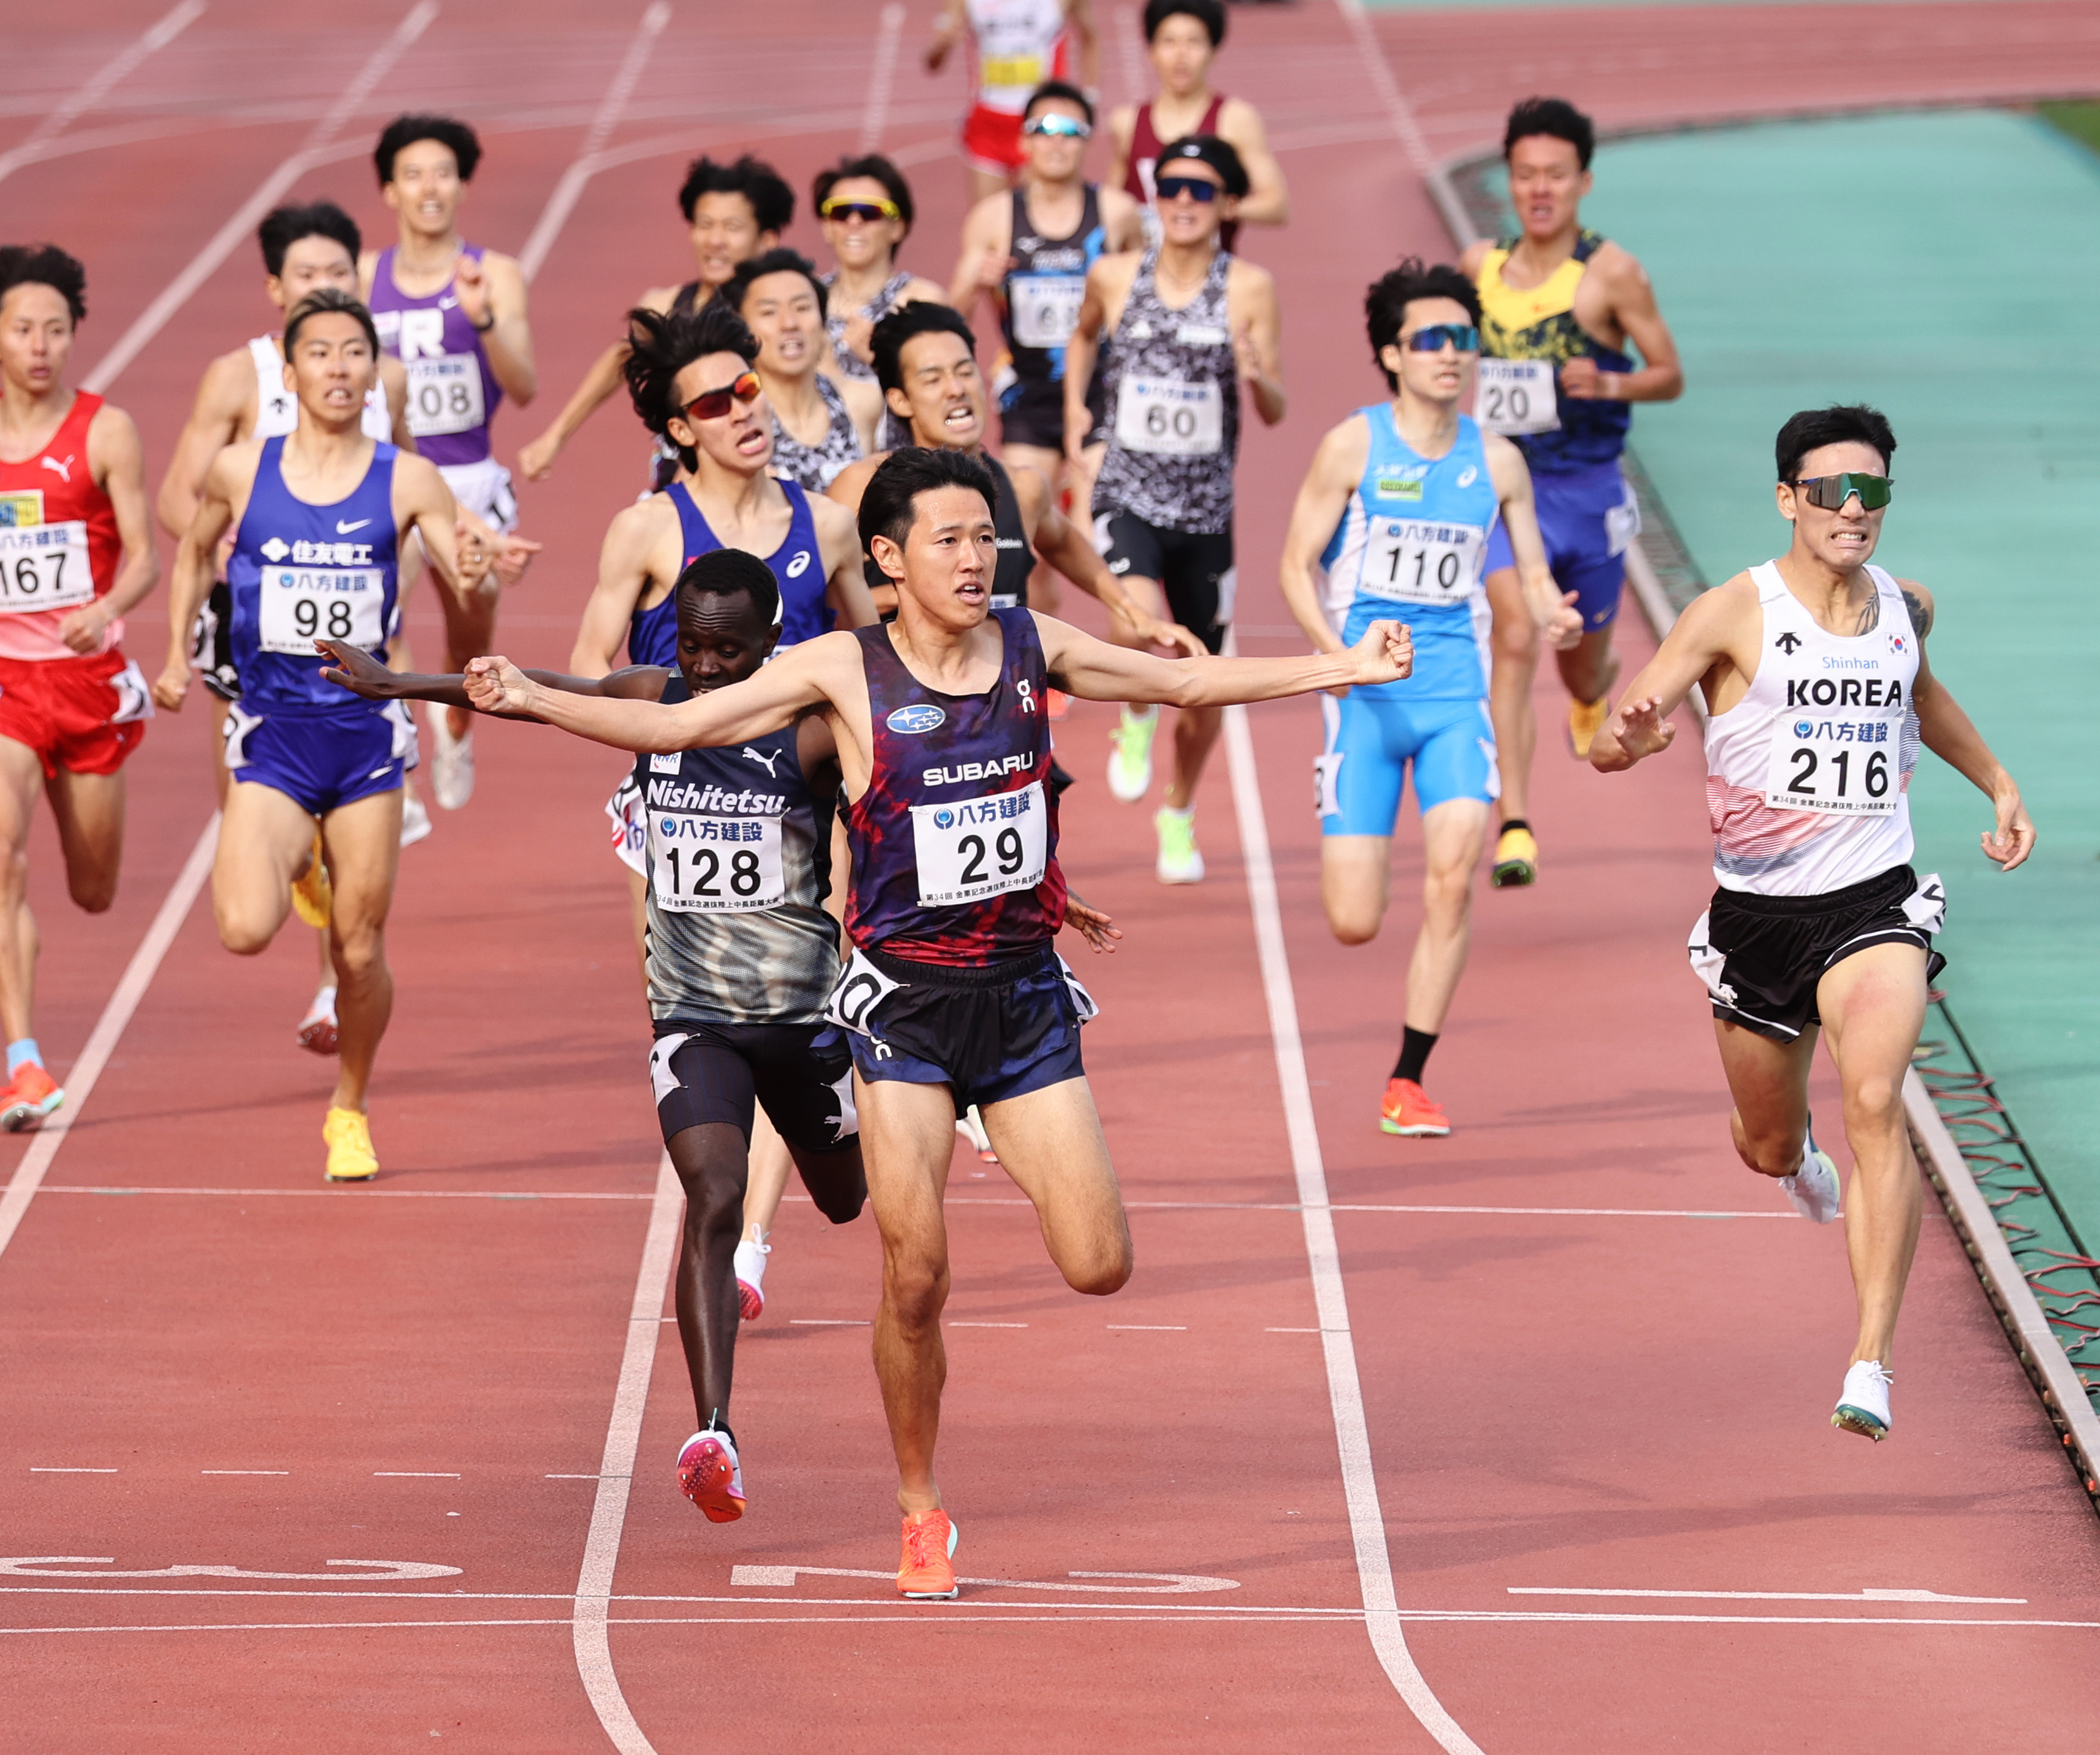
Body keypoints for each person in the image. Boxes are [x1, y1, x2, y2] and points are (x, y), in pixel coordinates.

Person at [457, 445, 1414, 1597]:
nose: (975, 558)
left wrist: (1343, 665)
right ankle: (920, 1508)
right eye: (949, 540)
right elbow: (677, 729)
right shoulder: (840, 667)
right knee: (915, 1277)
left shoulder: (1031, 643)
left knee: (1100, 1264)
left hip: (1021, 1004)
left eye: (984, 538)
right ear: (888, 558)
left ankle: (979, 1138)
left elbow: (1184, 688)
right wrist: (532, 697)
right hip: (901, 1015)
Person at [319, 549, 866, 1521]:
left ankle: (858, 1155)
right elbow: (538, 692)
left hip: (803, 1024)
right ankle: (715, 1433)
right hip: (693, 1017)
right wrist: (400, 683)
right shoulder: (653, 699)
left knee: (846, 1199)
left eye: (727, 651)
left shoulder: (811, 727)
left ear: (772, 643)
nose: (704, 667)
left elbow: (905, 806)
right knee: (714, 1195)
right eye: (691, 646)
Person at [1589, 404, 2033, 1442]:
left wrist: (1999, 781)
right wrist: (1633, 739)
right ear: (1789, 498)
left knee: (1876, 1099)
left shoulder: (1903, 607)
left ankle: (1871, 1361)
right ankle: (1794, 1165)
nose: (1853, 509)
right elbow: (1613, 741)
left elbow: (1921, 697)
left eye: (1871, 491)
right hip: (1758, 918)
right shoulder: (1730, 612)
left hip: (1873, 903)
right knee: (1765, 1140)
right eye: (1831, 491)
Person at [570, 299, 877, 1318]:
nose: (745, 408)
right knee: (690, 1013)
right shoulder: (648, 528)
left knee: (795, 997)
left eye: (749, 388)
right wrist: (664, 715)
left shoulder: (826, 523)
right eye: (716, 401)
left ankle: (747, 1235)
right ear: (678, 429)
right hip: (680, 812)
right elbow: (588, 662)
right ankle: (727, 1197)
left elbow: (878, 660)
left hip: (799, 803)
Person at [151, 289, 490, 1182]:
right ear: (290, 370)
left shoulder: (407, 479)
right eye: (321, 353)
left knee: (358, 947)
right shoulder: (240, 469)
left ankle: (350, 1106)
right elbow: (191, 550)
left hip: (366, 738)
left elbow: (463, 584)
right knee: (241, 928)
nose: (339, 368)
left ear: (374, 373)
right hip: (273, 731)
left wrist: (481, 575)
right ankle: (303, 858)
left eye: (354, 353)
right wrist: (178, 653)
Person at [1278, 261, 1579, 1138]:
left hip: (1455, 697)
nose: (1452, 354)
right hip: (1365, 702)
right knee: (1354, 921)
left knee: (1453, 879)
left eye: (1463, 339)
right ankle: (1344, 808)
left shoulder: (1498, 460)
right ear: (1392, 354)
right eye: (1431, 340)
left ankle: (1407, 1078)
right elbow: (1294, 565)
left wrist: (1553, 613)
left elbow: (1532, 573)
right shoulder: (1353, 447)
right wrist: (1336, 657)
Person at [157, 201, 423, 1057]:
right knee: (252, 815)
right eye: (306, 275)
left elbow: (408, 500)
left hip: (353, 643)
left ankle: (331, 983)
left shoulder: (379, 379)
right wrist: (253, 542)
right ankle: (295, 863)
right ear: (276, 288)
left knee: (355, 861)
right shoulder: (236, 379)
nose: (323, 285)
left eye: (338, 273)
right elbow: (180, 501)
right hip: (251, 631)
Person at [1460, 95, 1682, 886]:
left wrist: (1609, 383)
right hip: (1506, 489)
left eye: (1555, 174)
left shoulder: (1611, 273)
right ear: (1509, 178)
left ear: (1583, 181)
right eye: (1526, 174)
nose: (1540, 189)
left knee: (1584, 669)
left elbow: (1669, 374)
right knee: (1515, 634)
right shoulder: (1478, 269)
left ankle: (1590, 695)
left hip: (1587, 493)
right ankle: (1516, 824)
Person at [1064, 134, 1283, 883]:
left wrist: (1256, 374)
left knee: (1207, 679)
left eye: (1201, 190)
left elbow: (1276, 406)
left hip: (1205, 512)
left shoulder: (1249, 287)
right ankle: (1135, 712)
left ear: (1228, 204)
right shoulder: (1115, 273)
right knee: (1133, 620)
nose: (1183, 202)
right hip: (1126, 488)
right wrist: (1077, 415)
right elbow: (1083, 336)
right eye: (1171, 187)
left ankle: (1180, 809)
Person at [0, 246, 158, 1131]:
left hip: (87, 680)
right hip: (6, 685)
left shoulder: (106, 430)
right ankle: (22, 1059)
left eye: (55, 330)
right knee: (1, 856)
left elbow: (145, 559)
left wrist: (105, 609)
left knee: (92, 888)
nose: (39, 346)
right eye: (23, 329)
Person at [827, 303, 1195, 658]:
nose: (956, 389)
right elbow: (815, 594)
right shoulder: (862, 488)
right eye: (933, 379)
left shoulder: (1023, 489)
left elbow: (1063, 541)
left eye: (965, 371)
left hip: (1006, 691)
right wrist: (901, 596)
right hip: (901, 693)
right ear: (900, 400)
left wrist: (1133, 611)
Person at [360, 112, 536, 817]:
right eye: (413, 175)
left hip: (468, 479)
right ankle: (394, 758)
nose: (429, 188)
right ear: (390, 190)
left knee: (473, 621)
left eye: (442, 174)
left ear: (462, 186)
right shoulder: (365, 275)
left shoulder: (495, 273)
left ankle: (455, 726)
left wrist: (482, 319)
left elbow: (523, 385)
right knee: (375, 610)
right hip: (387, 475)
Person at [949, 80, 1143, 616]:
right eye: (1044, 128)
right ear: (1025, 141)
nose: (1057, 141)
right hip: (1028, 401)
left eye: (1070, 130)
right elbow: (949, 321)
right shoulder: (994, 218)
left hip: (1101, 394)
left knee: (1102, 531)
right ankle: (1042, 641)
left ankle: (1128, 637)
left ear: (1087, 140)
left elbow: (1145, 292)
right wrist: (976, 282)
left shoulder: (1117, 213)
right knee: (1019, 539)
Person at [517, 155, 794, 488]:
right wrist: (555, 437)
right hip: (680, 482)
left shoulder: (784, 320)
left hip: (767, 473)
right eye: (705, 224)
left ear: (767, 239)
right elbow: (618, 361)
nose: (715, 240)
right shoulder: (664, 307)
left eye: (732, 227)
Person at [1106, 0, 1287, 251]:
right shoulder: (1126, 122)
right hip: (1144, 268)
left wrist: (1216, 207)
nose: (1181, 55)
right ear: (1151, 52)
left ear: (1213, 51)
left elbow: (1276, 204)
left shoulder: (1236, 119)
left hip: (1211, 267)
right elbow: (1110, 205)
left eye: (1194, 42)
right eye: (1169, 42)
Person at [720, 249, 882, 490]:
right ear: (743, 331)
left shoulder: (862, 402)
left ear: (824, 322)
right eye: (769, 312)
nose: (789, 324)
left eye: (802, 307)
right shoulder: (731, 416)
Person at [926, 0, 1099, 205]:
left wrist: (1090, 96)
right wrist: (943, 43)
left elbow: (1090, 37)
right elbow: (932, 63)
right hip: (988, 121)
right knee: (987, 214)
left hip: (1040, 124)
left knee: (1040, 213)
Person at [809, 156, 946, 402]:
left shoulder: (921, 302)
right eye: (840, 213)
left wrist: (878, 360)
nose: (854, 222)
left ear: (898, 227)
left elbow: (941, 390)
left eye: (870, 213)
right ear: (827, 227)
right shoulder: (806, 301)